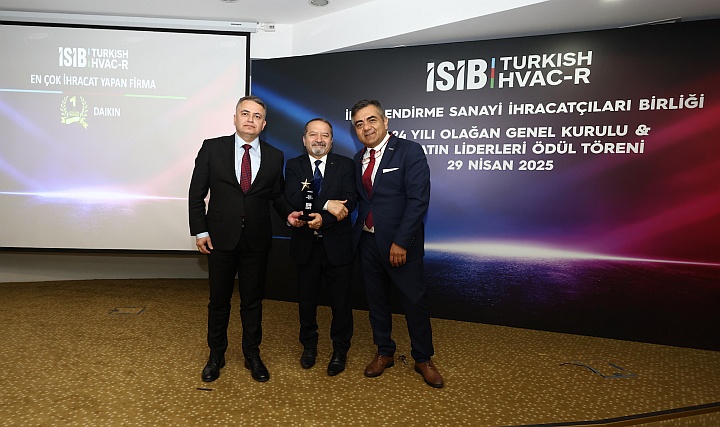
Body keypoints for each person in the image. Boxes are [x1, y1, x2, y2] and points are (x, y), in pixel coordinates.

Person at [188, 95, 302, 383]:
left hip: (256, 240)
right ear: (235, 118)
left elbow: (276, 195)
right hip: (219, 239)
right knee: (219, 301)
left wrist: (288, 214)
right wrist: (200, 231)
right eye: (245, 114)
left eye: (257, 116)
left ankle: (252, 354)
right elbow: (196, 193)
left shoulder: (275, 156)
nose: (250, 119)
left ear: (264, 124)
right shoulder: (212, 148)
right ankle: (216, 355)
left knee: (252, 302)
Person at [350, 99, 444, 388]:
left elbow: (418, 200)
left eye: (371, 120)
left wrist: (401, 242)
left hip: (400, 245)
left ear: (385, 121)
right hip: (367, 242)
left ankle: (423, 357)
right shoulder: (358, 159)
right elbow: (362, 201)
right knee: (376, 300)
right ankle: (384, 351)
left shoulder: (409, 151)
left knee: (414, 302)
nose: (366, 127)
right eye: (359, 124)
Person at [284, 118, 357, 376]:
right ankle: (309, 346)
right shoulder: (294, 165)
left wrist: (323, 219)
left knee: (341, 303)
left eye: (325, 135)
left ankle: (340, 349)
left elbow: (349, 201)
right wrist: (327, 205)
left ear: (332, 141)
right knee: (307, 302)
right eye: (313, 134)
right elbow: (294, 197)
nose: (319, 139)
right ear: (304, 139)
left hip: (338, 245)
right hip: (306, 247)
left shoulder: (346, 165)